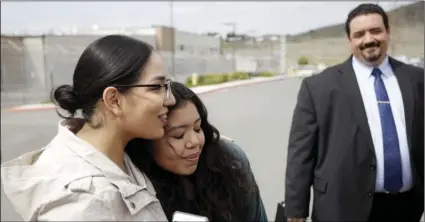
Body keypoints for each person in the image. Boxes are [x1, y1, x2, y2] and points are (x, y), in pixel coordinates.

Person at [1, 35, 175, 221]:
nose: (170, 99)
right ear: (114, 100)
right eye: (157, 87)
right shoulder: (83, 201)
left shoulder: (115, 154)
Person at [285, 3, 423, 222]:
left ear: (388, 32)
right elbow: (300, 155)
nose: (368, 40)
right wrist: (295, 212)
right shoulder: (319, 87)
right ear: (349, 40)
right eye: (359, 34)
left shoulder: (416, 79)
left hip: (406, 208)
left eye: (376, 31)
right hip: (341, 208)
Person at [125, 81, 268, 222]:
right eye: (179, 135)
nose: (194, 142)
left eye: (197, 128)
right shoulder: (132, 183)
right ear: (149, 140)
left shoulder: (229, 159)